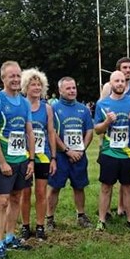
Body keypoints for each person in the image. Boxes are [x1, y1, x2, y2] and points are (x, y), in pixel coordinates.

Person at [0, 61, 35, 259]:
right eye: (11, 76)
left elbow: (29, 132)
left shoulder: (24, 102)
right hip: (4, 160)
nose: (15, 79)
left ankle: (10, 237)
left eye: (18, 76)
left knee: (16, 198)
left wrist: (31, 160)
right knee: (2, 201)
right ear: (3, 78)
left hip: (22, 159)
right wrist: (2, 161)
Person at [94, 70, 130, 231]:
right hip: (109, 152)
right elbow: (98, 130)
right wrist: (107, 122)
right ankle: (101, 220)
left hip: (128, 153)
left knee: (128, 186)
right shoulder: (102, 104)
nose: (120, 84)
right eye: (117, 81)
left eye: (122, 81)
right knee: (106, 186)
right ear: (110, 84)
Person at [46, 77, 95, 231]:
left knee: (79, 186)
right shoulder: (53, 109)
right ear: (60, 90)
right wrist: (67, 150)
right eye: (68, 88)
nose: (72, 91)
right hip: (60, 156)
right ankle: (49, 219)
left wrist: (81, 150)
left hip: (79, 156)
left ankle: (81, 215)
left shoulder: (83, 109)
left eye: (73, 88)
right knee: (54, 187)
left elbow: (89, 131)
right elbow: (52, 132)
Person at [19, 68, 57, 241]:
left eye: (39, 84)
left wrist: (54, 157)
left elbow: (51, 132)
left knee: (41, 192)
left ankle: (40, 226)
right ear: (25, 87)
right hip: (24, 155)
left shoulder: (47, 108)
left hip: (43, 155)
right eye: (32, 84)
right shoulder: (20, 105)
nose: (36, 87)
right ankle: (25, 226)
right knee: (25, 192)